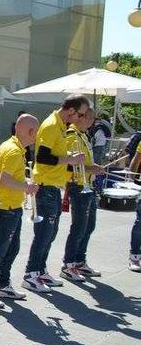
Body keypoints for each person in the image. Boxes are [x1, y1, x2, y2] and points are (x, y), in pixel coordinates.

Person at [22, 94, 91, 294]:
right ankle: (31, 274)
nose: (81, 118)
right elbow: (42, 157)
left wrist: (69, 158)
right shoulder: (52, 125)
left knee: (50, 234)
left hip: (52, 187)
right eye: (81, 114)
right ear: (71, 111)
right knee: (43, 234)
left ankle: (40, 270)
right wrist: (68, 160)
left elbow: (54, 155)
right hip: (44, 187)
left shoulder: (60, 126)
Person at [0, 114, 39, 309]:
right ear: (30, 131)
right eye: (35, 132)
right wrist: (26, 187)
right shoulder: (13, 151)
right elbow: (4, 179)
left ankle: (2, 284)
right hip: (6, 208)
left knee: (11, 248)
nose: (36, 136)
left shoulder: (11, 147)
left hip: (11, 206)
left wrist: (23, 183)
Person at [60, 107, 104, 282]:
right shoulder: (72, 136)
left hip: (88, 185)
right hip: (78, 186)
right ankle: (68, 264)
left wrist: (93, 169)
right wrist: (90, 169)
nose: (92, 122)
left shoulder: (84, 136)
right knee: (79, 227)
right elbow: (69, 166)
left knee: (89, 226)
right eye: (90, 118)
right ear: (81, 117)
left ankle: (79, 260)